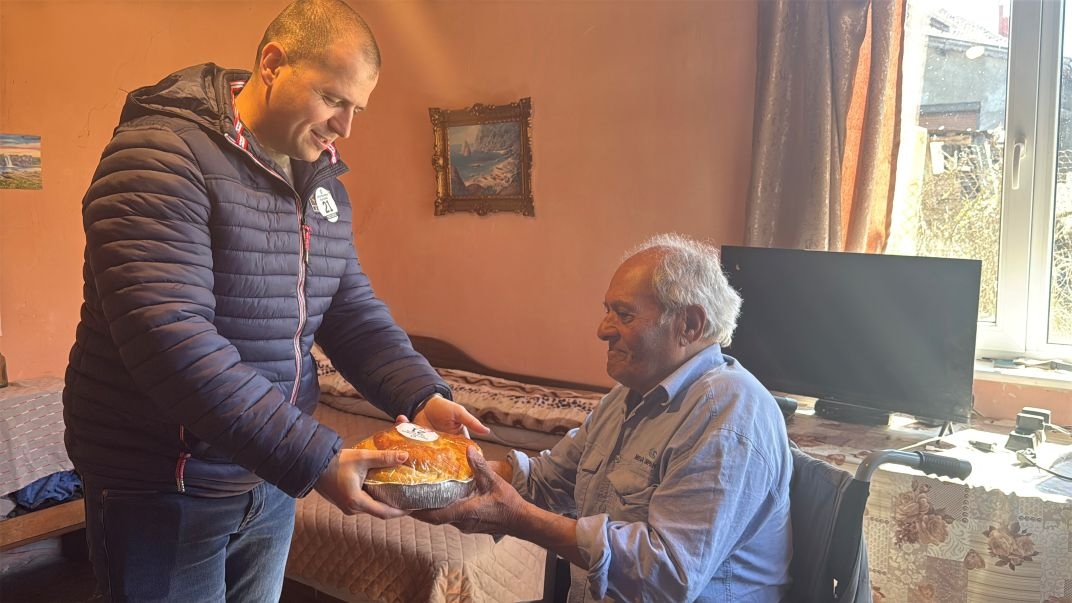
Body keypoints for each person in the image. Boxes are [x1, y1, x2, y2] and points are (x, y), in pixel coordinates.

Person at [62, 1, 488, 601]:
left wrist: (421, 395)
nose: (346, 127)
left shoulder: (318, 179)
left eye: (356, 108)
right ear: (272, 64)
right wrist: (314, 458)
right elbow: (171, 340)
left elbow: (348, 307)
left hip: (267, 477)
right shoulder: (159, 158)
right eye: (333, 98)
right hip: (166, 484)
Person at [414, 233, 793, 602]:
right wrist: (447, 465)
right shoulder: (628, 395)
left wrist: (518, 518)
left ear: (689, 325)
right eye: (607, 311)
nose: (602, 330)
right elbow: (549, 480)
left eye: (623, 314)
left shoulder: (728, 413)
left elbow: (665, 578)